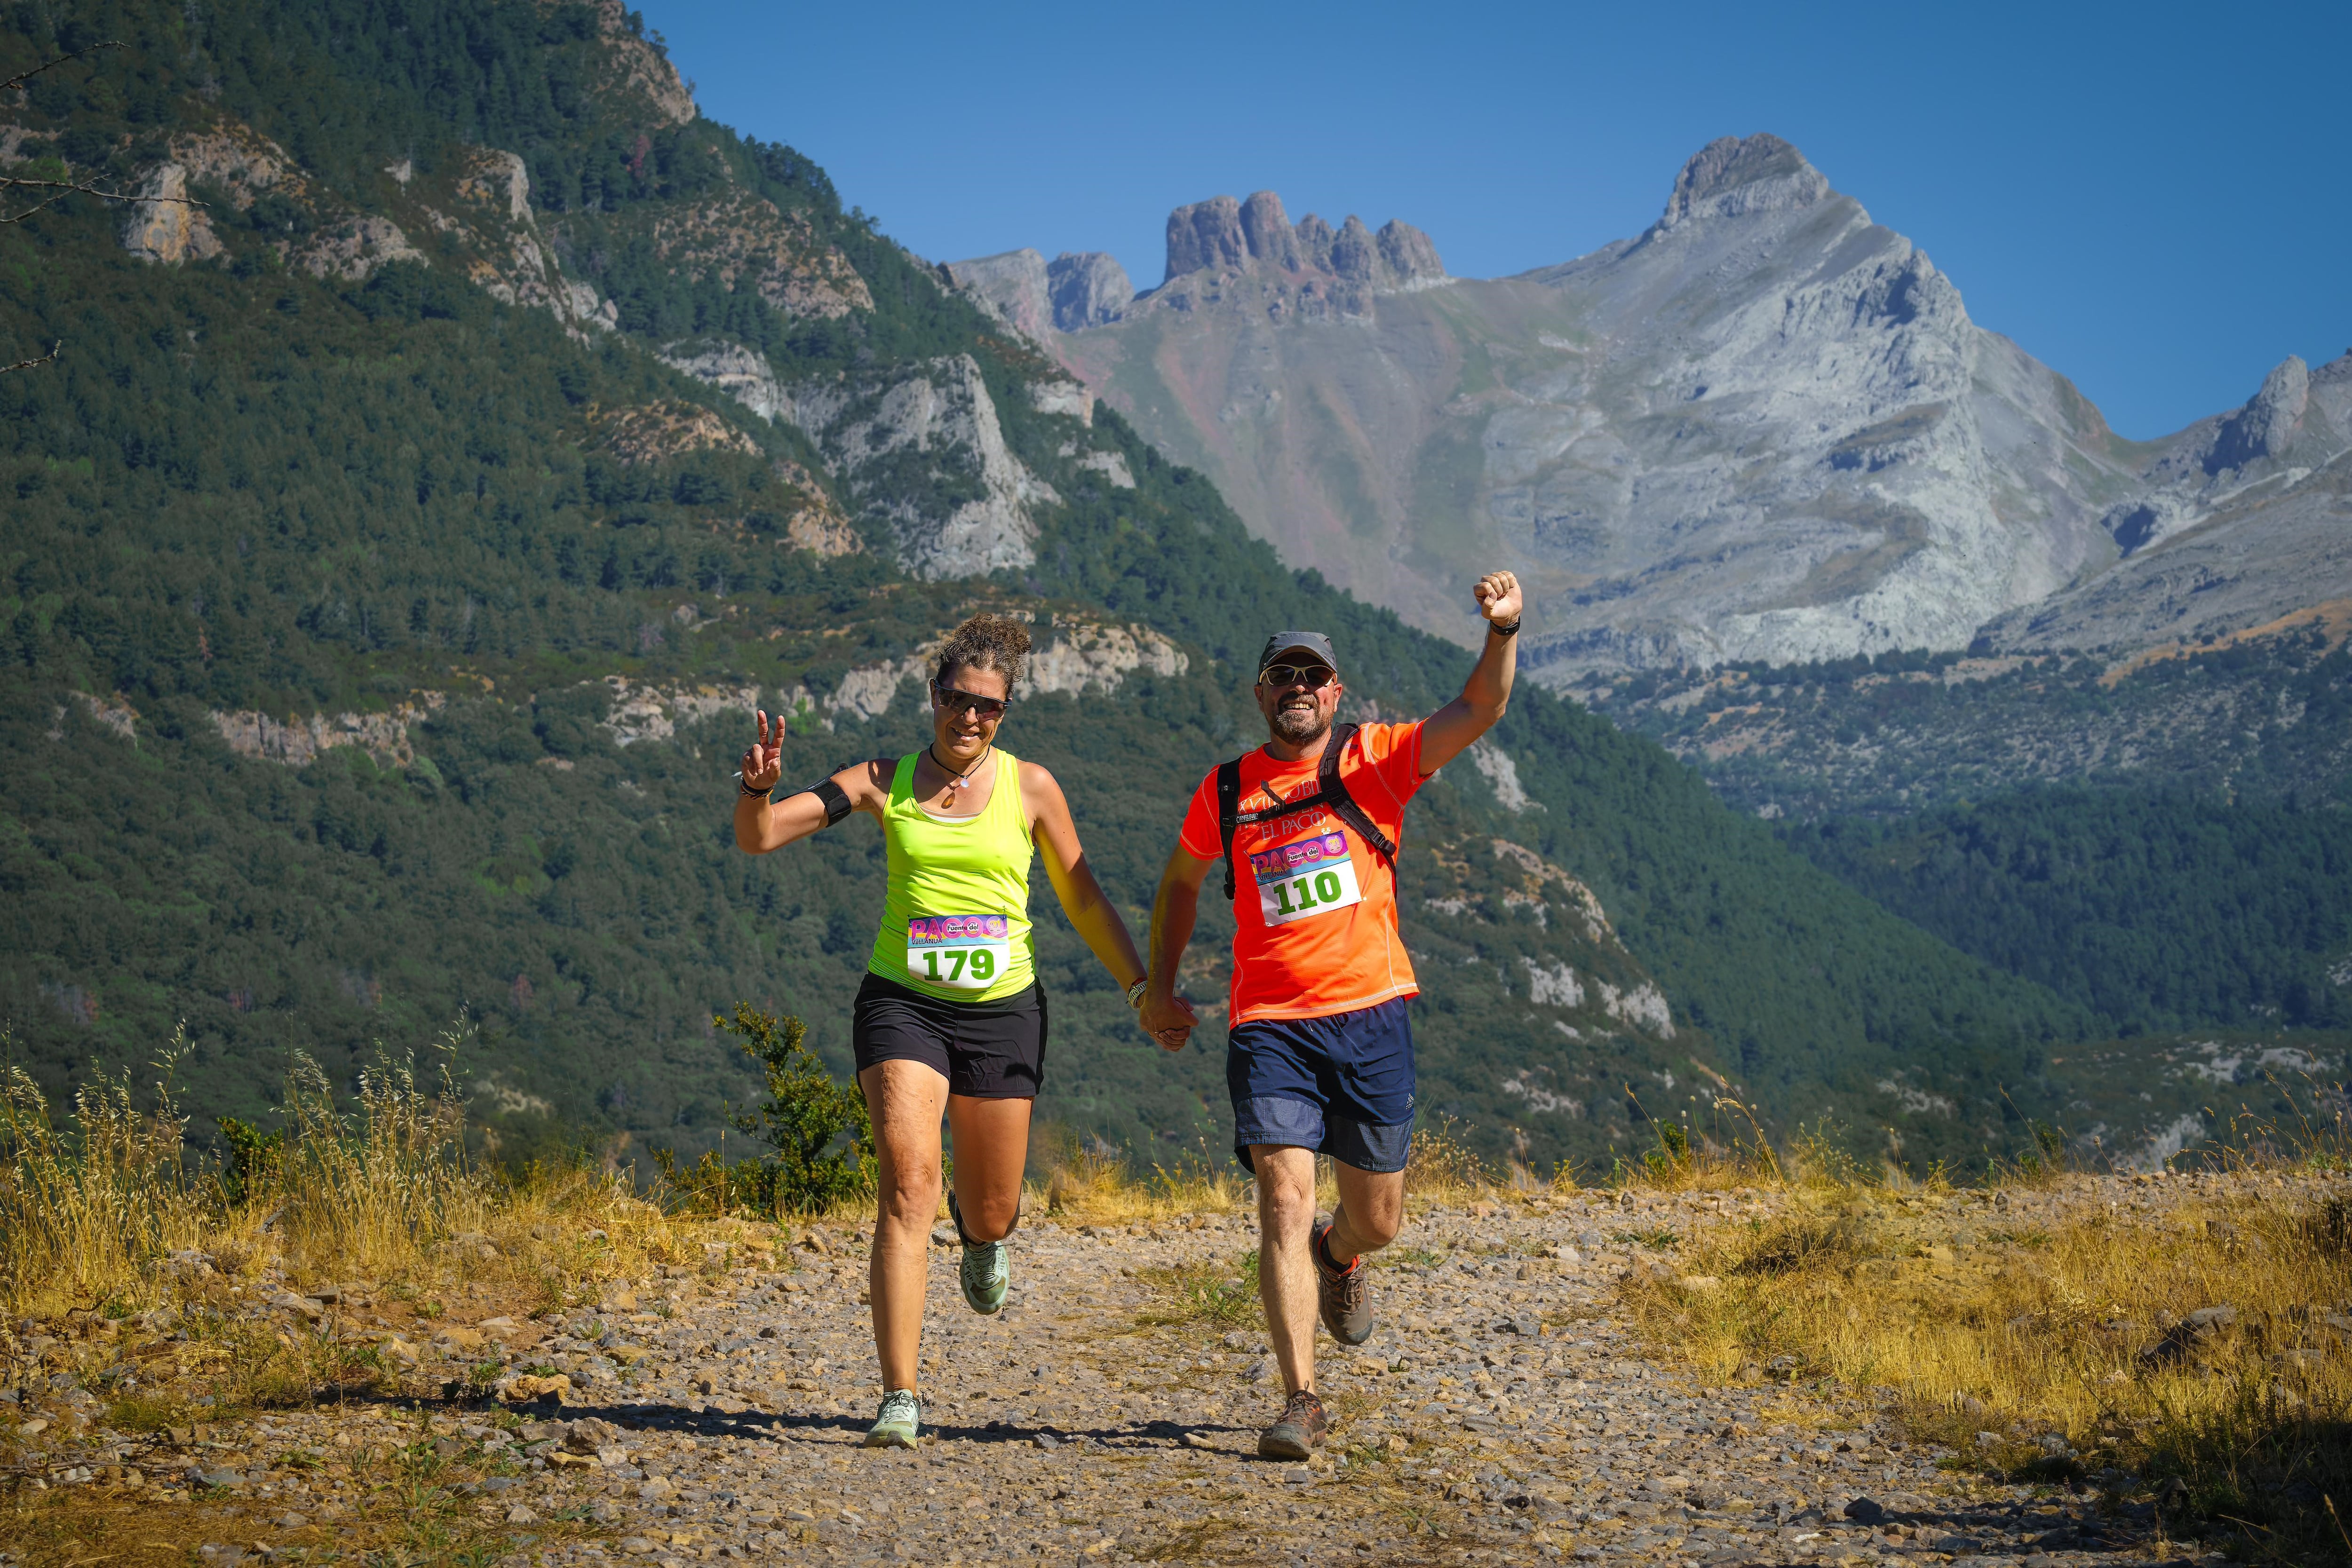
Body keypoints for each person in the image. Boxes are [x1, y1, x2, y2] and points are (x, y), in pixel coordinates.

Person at [734, 613, 1181, 1450]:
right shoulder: (882, 780)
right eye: (957, 698)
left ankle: (981, 1239)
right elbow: (758, 838)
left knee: (994, 1206)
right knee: (909, 1186)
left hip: (1003, 1011)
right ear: (933, 695)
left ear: (1005, 711)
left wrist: (1140, 990)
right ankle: (899, 1394)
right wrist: (757, 788)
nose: (969, 717)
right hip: (902, 1004)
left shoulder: (1032, 788)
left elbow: (1083, 896)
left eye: (988, 706)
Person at [1139, 573, 1523, 1460]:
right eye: (1284, 675)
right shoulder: (1227, 789)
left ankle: (1338, 1254)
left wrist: (1503, 632)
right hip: (1269, 1025)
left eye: (1313, 675)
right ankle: (1300, 1399)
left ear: (1336, 692)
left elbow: (1480, 708)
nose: (1299, 688)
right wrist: (1160, 988)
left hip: (1370, 1018)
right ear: (1261, 693)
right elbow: (1180, 884)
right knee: (1282, 1197)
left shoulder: (1374, 760)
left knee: (1378, 1218)